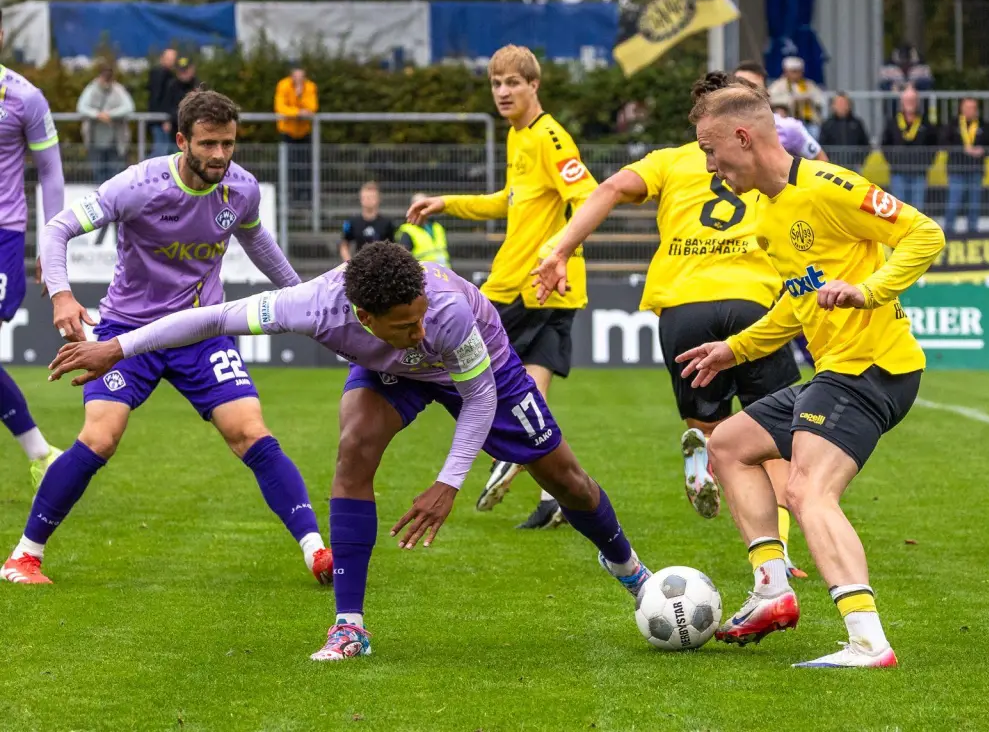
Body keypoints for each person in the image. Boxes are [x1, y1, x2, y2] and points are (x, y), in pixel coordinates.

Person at [47, 243, 654, 660]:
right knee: (353, 448)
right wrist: (117, 348)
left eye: (419, 318)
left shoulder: (442, 313)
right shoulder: (309, 305)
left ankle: (628, 567)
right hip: (390, 376)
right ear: (363, 316)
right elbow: (210, 318)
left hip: (484, 373)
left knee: (569, 480)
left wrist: (447, 482)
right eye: (402, 325)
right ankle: (349, 627)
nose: (418, 331)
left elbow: (477, 398)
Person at [2, 90, 326, 587]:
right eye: (209, 144)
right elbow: (59, 227)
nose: (220, 155)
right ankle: (24, 556)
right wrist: (62, 295)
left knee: (251, 432)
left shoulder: (241, 189)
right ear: (182, 141)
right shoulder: (139, 184)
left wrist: (306, 300)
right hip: (126, 333)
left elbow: (260, 244)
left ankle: (316, 552)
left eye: (229, 144)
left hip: (202, 332)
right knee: (100, 437)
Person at [674, 78, 945, 669]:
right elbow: (796, 306)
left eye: (709, 148)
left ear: (742, 137)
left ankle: (869, 641)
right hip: (836, 372)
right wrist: (733, 350)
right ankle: (772, 590)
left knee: (805, 490)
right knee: (728, 445)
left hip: (874, 369)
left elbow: (925, 234)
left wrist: (869, 291)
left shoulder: (828, 186)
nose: (710, 165)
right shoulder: (767, 216)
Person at [530, 72, 805, 570]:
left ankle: (701, 455)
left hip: (684, 309)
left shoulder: (670, 161)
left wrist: (561, 250)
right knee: (772, 446)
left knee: (718, 438)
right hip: (753, 303)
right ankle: (776, 554)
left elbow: (610, 187)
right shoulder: (765, 158)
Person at [409, 45, 592, 530]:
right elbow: (505, 202)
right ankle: (553, 497)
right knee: (533, 389)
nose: (504, 91)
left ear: (535, 86)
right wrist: (447, 202)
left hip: (524, 283)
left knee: (458, 365)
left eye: (513, 82)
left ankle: (503, 449)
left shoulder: (550, 137)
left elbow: (588, 195)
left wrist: (559, 253)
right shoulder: (519, 137)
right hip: (554, 288)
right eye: (496, 83)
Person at [0, 20, 64, 487]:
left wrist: (52, 241)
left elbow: (51, 173)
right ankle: (41, 454)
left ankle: (40, 452)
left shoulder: (25, 97)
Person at [734, 62, 827, 162]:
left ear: (766, 91)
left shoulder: (788, 128)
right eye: (738, 84)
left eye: (752, 86)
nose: (744, 91)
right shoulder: (721, 127)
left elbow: (821, 160)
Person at [939, 97, 989, 233]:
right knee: (953, 203)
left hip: (976, 171)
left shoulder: (983, 125)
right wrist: (962, 149)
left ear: (977, 110)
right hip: (956, 171)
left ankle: (972, 233)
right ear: (961, 108)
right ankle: (948, 232)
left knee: (974, 205)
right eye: (967, 107)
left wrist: (983, 150)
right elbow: (944, 143)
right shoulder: (953, 124)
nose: (970, 110)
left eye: (973, 108)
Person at [76, 61, 133, 183]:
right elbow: (81, 107)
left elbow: (129, 107)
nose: (106, 80)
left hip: (115, 140)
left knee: (115, 174)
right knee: (98, 174)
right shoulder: (91, 89)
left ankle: (114, 201)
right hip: (95, 140)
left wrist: (110, 115)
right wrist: (97, 115)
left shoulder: (118, 89)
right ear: (99, 76)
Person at [880, 84, 933, 212]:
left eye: (913, 100)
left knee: (918, 210)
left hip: (919, 173)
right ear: (902, 102)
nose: (910, 103)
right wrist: (894, 162)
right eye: (907, 100)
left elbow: (933, 145)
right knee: (898, 209)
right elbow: (884, 145)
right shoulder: (892, 122)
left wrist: (926, 163)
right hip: (898, 172)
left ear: (917, 102)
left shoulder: (926, 123)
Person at [275, 66, 319, 204]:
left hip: (304, 132)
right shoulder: (283, 85)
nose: (299, 79)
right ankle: (292, 196)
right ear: (291, 76)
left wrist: (300, 96)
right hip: (288, 132)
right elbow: (280, 107)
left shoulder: (310, 87)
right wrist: (298, 113)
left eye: (302, 77)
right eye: (296, 76)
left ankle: (308, 196)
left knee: (306, 165)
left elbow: (312, 107)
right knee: (291, 165)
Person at [150, 57, 198, 157]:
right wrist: (169, 119)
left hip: (194, 130)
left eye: (185, 70)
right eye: (181, 70)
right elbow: (166, 106)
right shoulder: (172, 85)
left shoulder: (198, 86)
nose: (183, 73)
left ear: (192, 69)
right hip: (175, 130)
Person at [340, 181, 397, 262]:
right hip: (360, 267)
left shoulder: (387, 223)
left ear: (378, 199)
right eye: (365, 197)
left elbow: (393, 247)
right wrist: (349, 263)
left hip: (382, 267)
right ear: (361, 199)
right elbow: (344, 246)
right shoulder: (352, 222)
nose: (368, 200)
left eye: (371, 197)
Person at [766, 56, 826, 128]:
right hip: (789, 119)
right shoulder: (779, 85)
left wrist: (809, 99)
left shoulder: (809, 85)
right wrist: (790, 100)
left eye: (799, 71)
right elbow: (770, 98)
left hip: (809, 121)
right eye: (793, 71)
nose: (796, 74)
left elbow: (820, 99)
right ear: (786, 71)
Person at [395, 192, 450, 268]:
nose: (421, 209)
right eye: (418, 206)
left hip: (443, 274)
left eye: (424, 205)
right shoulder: (407, 231)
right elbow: (403, 260)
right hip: (423, 276)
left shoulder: (437, 227)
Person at [818, 94, 869, 169]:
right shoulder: (827, 124)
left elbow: (865, 144)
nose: (841, 106)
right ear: (833, 106)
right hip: (833, 167)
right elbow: (822, 145)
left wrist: (860, 161)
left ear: (849, 105)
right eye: (838, 103)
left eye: (843, 103)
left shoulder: (857, 123)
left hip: (853, 166)